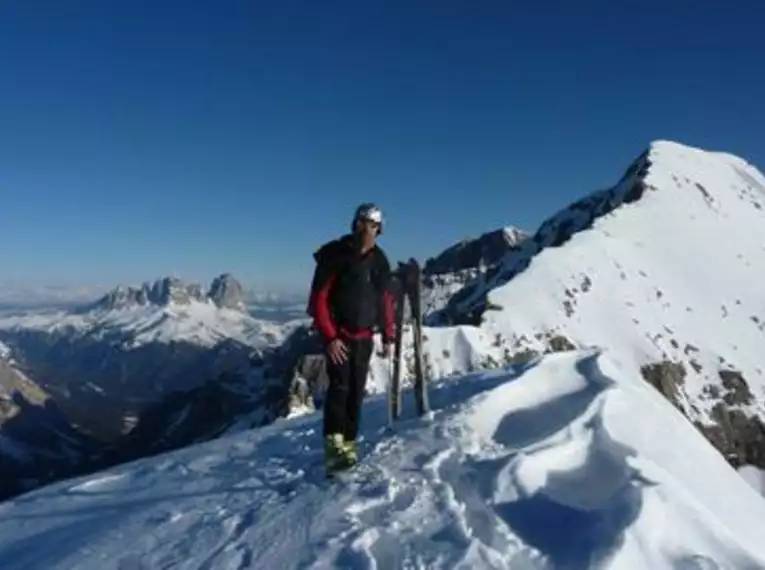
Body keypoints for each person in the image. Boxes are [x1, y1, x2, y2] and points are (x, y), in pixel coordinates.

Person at [308, 203, 396, 474]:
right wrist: (331, 337)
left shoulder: (380, 261)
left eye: (370, 225)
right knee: (340, 390)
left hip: (365, 338)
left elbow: (385, 301)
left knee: (356, 393)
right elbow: (319, 299)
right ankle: (334, 453)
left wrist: (388, 336)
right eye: (361, 223)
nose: (364, 230)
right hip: (340, 336)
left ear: (379, 230)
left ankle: (348, 446)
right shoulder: (336, 255)